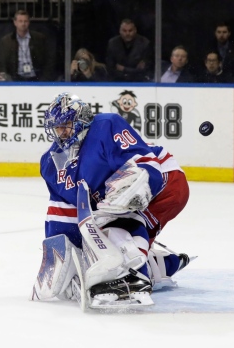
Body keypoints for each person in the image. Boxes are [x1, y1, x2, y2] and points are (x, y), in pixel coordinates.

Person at [32, 92, 191, 307]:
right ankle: (161, 265)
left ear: (81, 119)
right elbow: (63, 213)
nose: (61, 132)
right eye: (57, 127)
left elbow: (145, 166)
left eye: (67, 124)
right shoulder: (51, 164)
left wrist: (135, 183)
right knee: (109, 225)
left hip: (165, 184)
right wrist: (60, 255)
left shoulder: (105, 126)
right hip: (116, 200)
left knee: (120, 224)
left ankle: (135, 276)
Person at [0, 10, 53, 81]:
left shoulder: (39, 38)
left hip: (36, 78)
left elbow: (48, 60)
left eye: (25, 21)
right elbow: (1, 63)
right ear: (15, 22)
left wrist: (44, 79)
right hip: (15, 79)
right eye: (20, 21)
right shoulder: (6, 41)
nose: (23, 24)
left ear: (29, 22)